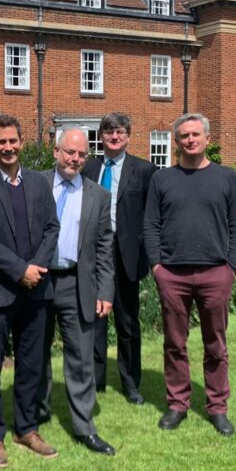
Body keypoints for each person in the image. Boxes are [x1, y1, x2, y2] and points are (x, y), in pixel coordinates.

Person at [143, 113, 236, 436]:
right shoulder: (162, 179)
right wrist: (157, 267)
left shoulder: (226, 178)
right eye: (184, 136)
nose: (190, 140)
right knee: (175, 343)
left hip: (215, 273)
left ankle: (217, 407)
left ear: (207, 138)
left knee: (215, 344)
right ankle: (177, 403)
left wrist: (232, 267)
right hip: (172, 274)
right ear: (177, 141)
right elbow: (151, 225)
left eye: (195, 135)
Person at [0, 115, 60, 467]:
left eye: (13, 141)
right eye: (0, 142)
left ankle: (26, 428)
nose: (7, 147)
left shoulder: (39, 183)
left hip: (37, 289)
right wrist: (20, 270)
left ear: (22, 142)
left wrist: (35, 268)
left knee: (31, 364)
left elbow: (52, 228)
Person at [36, 128, 116, 455]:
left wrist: (105, 291)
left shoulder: (99, 195)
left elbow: (104, 248)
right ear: (56, 151)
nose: (75, 159)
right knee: (35, 354)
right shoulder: (35, 183)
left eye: (82, 155)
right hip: (38, 281)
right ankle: (34, 418)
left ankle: (84, 427)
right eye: (70, 152)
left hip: (76, 282)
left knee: (81, 357)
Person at [82, 113, 158, 405]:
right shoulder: (88, 167)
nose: (114, 137)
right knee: (95, 320)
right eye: (109, 132)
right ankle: (96, 382)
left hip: (126, 253)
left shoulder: (144, 170)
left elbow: (152, 216)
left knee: (127, 322)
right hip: (93, 252)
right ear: (101, 136)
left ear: (128, 136)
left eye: (120, 132)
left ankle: (131, 383)